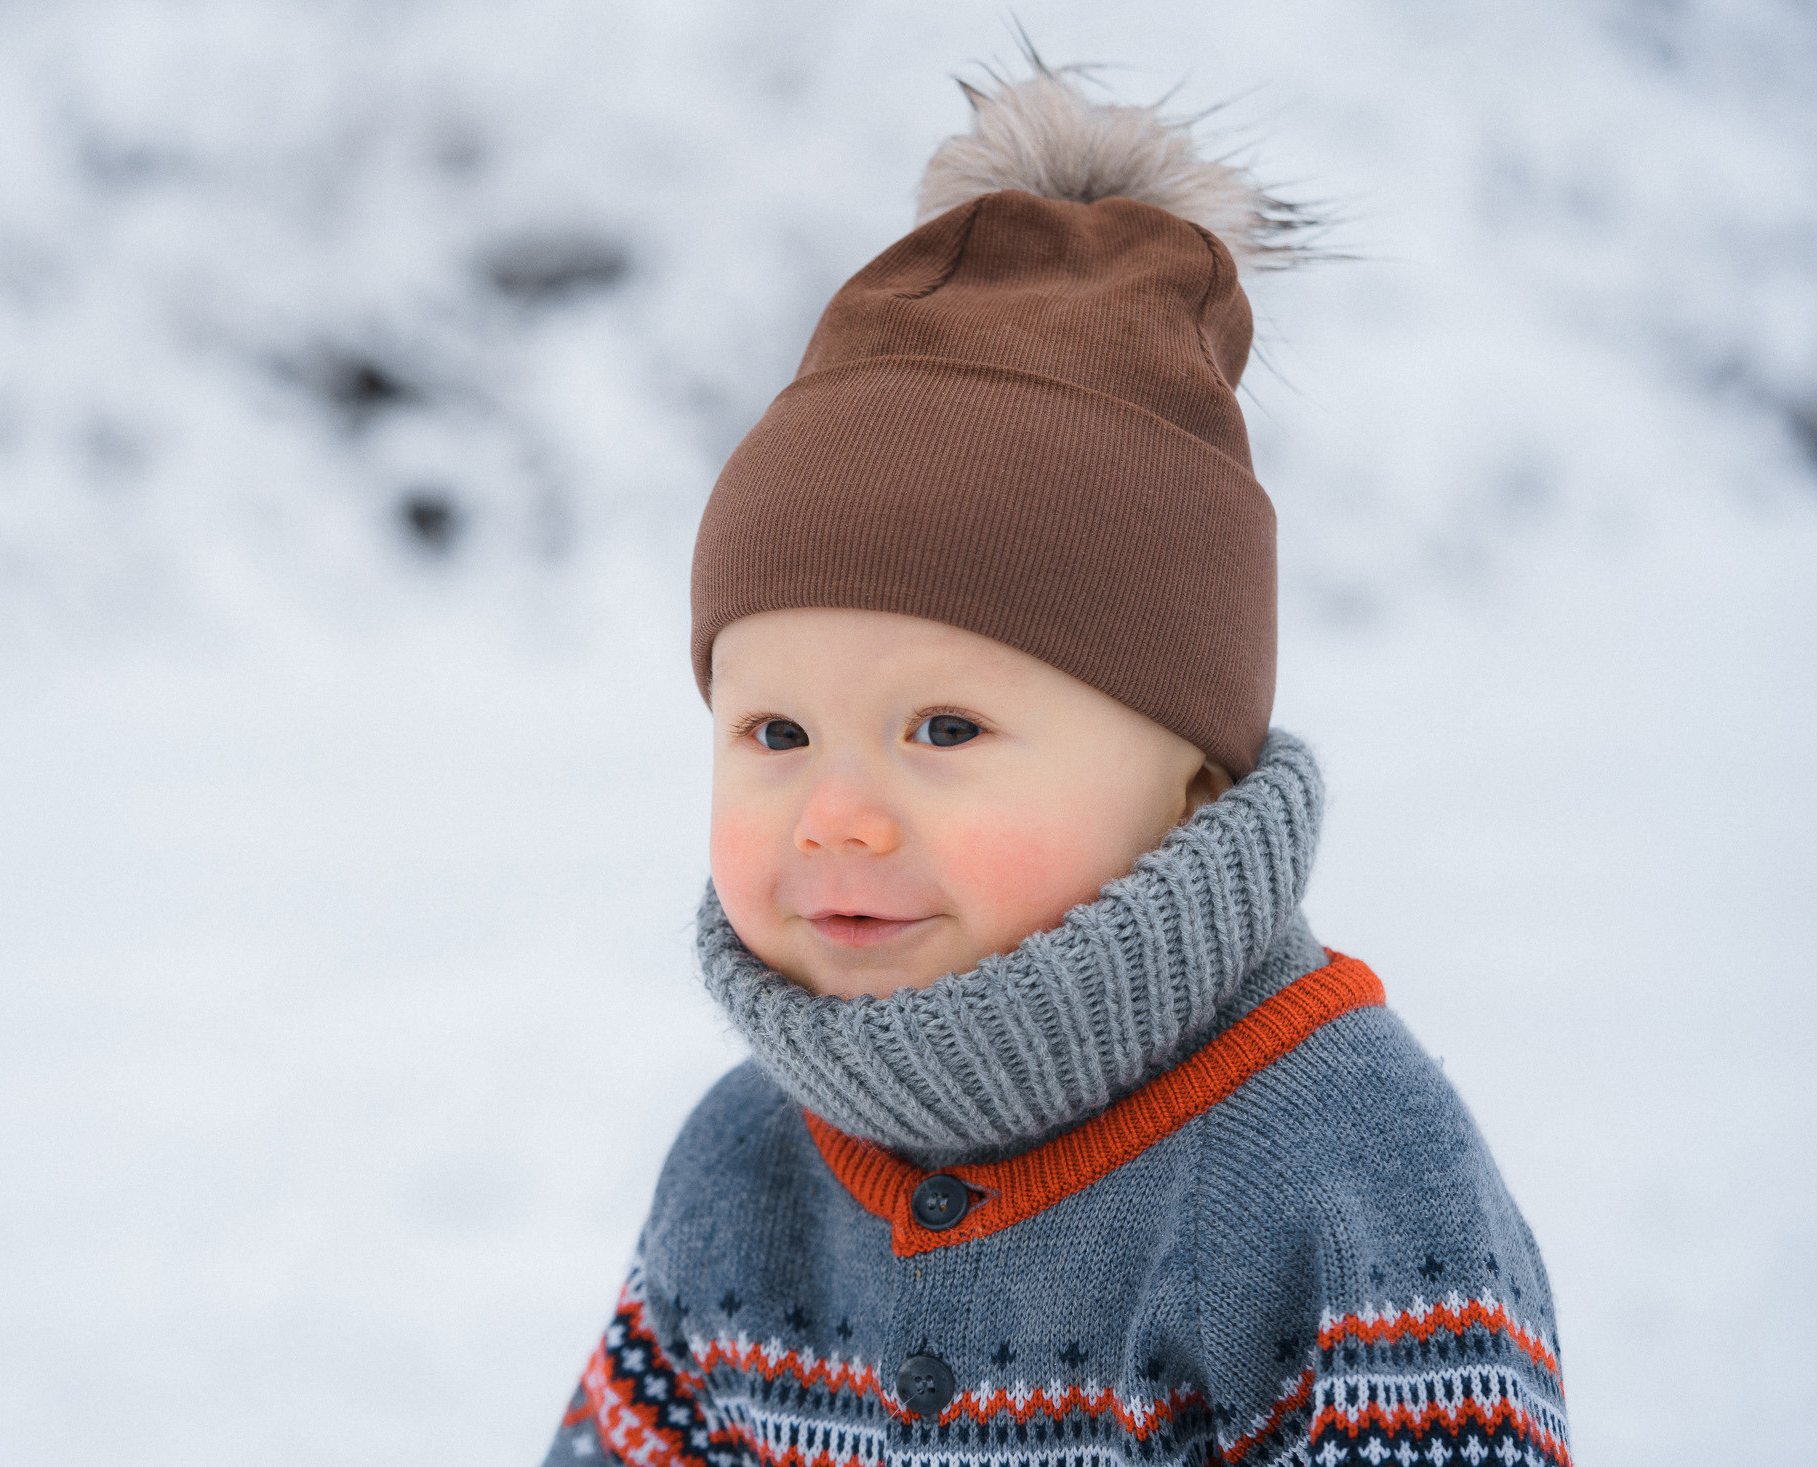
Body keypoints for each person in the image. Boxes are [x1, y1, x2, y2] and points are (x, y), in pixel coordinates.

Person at [542, 63, 1570, 1467]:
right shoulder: (744, 1168)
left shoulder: (1348, 1169)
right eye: (775, 735)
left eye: (945, 731)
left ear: (1192, 782)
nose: (835, 816)